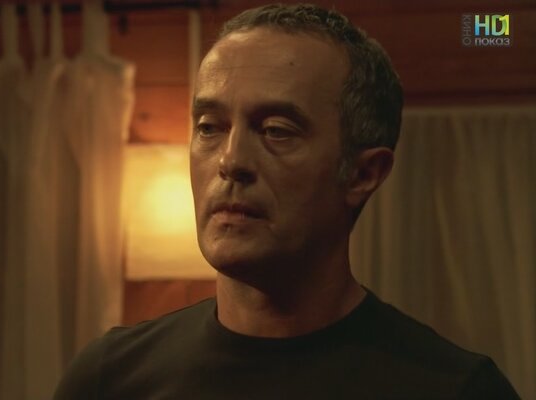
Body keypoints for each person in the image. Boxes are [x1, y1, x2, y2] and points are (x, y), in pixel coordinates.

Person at [54, 4, 521, 399]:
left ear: (363, 174)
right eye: (209, 127)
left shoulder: (456, 389)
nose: (231, 161)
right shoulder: (110, 379)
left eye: (276, 131)